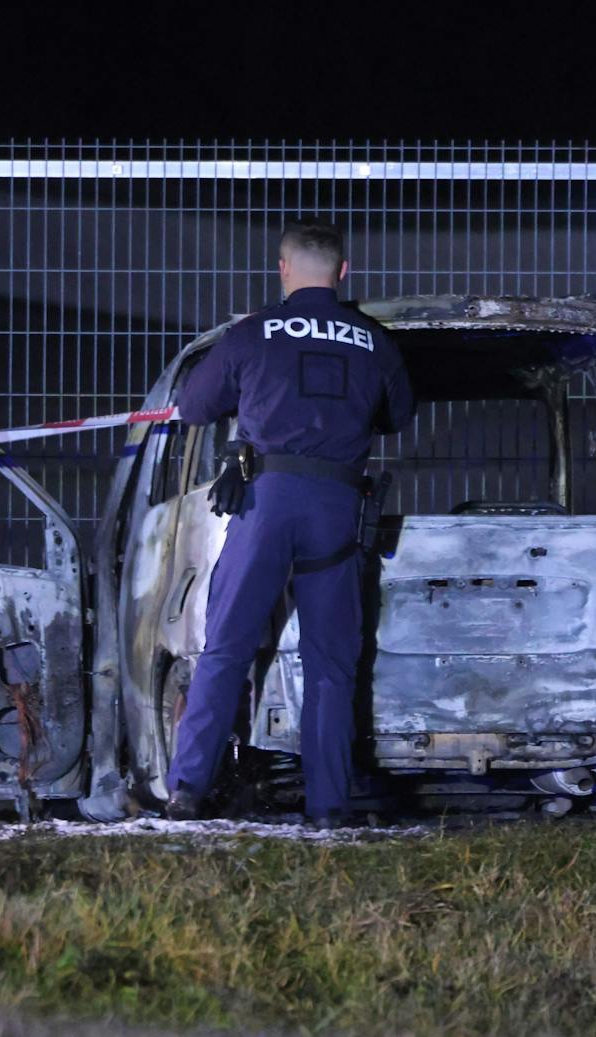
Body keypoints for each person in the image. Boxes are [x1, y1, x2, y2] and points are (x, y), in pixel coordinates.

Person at [165, 218, 415, 827]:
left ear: (283, 269)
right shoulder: (373, 339)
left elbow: (194, 406)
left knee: (225, 649)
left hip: (265, 502)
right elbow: (399, 415)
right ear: (344, 272)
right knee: (332, 665)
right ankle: (329, 807)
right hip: (337, 508)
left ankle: (188, 790)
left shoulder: (253, 333)